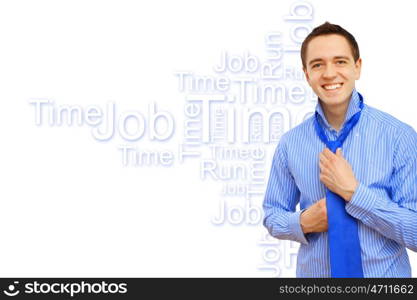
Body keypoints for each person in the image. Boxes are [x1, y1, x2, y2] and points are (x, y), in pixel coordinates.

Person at [262, 21, 417, 277]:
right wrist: (302, 223)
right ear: (307, 74)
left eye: (340, 61)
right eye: (318, 64)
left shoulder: (399, 137)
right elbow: (273, 214)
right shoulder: (290, 144)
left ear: (358, 67)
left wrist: (355, 193)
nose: (330, 73)